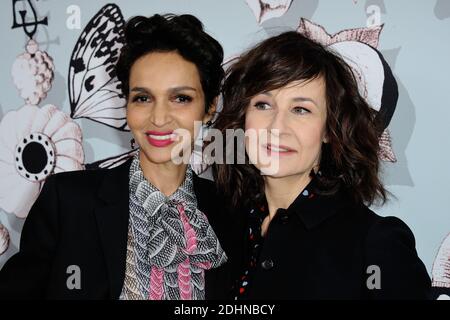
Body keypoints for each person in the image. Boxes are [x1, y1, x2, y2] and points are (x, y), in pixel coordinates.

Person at [0, 14, 234, 300]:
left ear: (209, 107)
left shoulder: (227, 211)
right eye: (143, 98)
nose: (159, 118)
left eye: (180, 98)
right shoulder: (68, 201)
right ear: (126, 105)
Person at [212, 31, 431, 299]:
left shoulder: (374, 245)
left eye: (301, 109)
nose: (277, 127)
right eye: (263, 105)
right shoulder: (216, 229)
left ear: (329, 129)